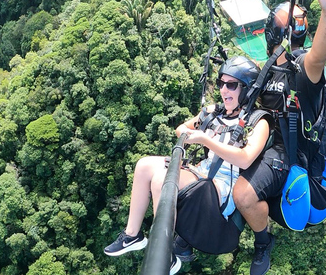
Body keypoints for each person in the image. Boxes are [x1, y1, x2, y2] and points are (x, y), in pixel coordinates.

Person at [103, 56, 271, 274]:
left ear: (247, 89)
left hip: (222, 185)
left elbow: (245, 158)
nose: (223, 90)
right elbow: (181, 129)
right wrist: (200, 126)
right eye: (221, 84)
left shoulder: (258, 122)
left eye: (231, 85)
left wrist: (205, 139)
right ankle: (132, 234)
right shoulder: (216, 112)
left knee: (162, 179)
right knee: (144, 166)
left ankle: (167, 252)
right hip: (202, 172)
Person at [232, 0, 326, 275]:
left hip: (288, 153)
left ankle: (262, 242)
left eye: (297, 22)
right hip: (263, 144)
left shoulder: (302, 71)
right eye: (292, 21)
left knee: (243, 195)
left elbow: (319, 56)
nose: (295, 25)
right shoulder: (264, 73)